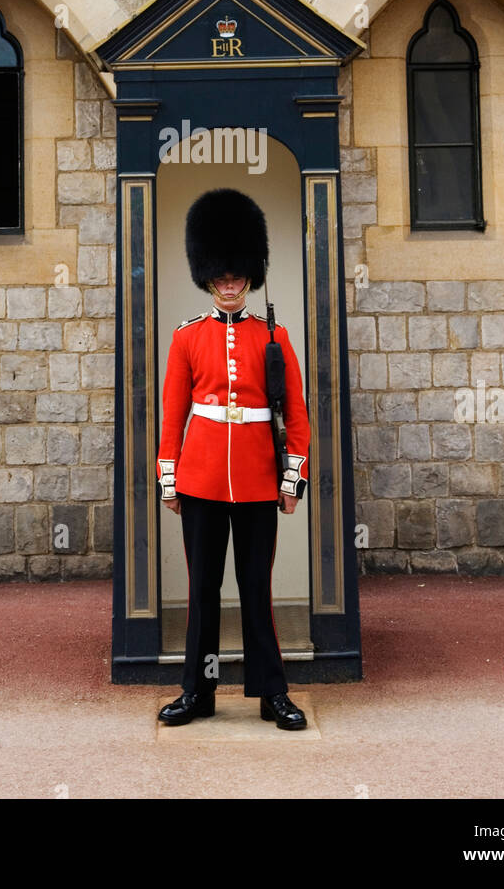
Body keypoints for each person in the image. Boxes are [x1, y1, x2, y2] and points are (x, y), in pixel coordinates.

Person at [156, 187, 310, 731]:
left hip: (257, 482)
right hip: (199, 481)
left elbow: (297, 415)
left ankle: (272, 693)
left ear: (249, 273)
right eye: (219, 274)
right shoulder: (186, 339)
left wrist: (292, 480)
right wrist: (169, 480)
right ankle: (197, 693)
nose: (228, 282)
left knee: (256, 590)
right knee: (202, 593)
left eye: (236, 273)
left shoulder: (275, 337)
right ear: (208, 275)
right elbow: (173, 418)